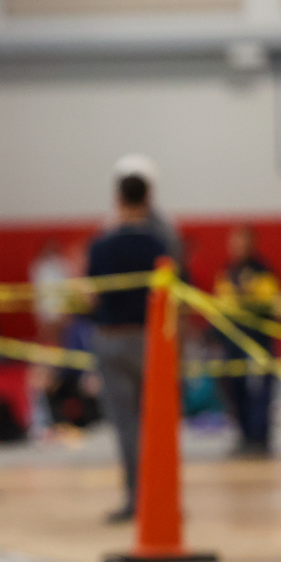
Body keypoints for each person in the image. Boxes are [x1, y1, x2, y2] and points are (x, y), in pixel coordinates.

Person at [86, 173, 169, 523]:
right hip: (152, 341)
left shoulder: (102, 246)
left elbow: (92, 295)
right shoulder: (160, 245)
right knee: (158, 424)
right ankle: (162, 498)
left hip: (114, 339)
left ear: (118, 198)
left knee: (127, 426)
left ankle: (137, 499)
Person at [213, 225, 281, 457]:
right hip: (233, 341)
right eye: (234, 243)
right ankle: (243, 434)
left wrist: (246, 296)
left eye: (242, 242)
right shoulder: (227, 271)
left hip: (259, 340)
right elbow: (219, 303)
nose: (238, 247)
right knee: (236, 388)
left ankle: (260, 436)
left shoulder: (263, 270)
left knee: (261, 389)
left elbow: (270, 299)